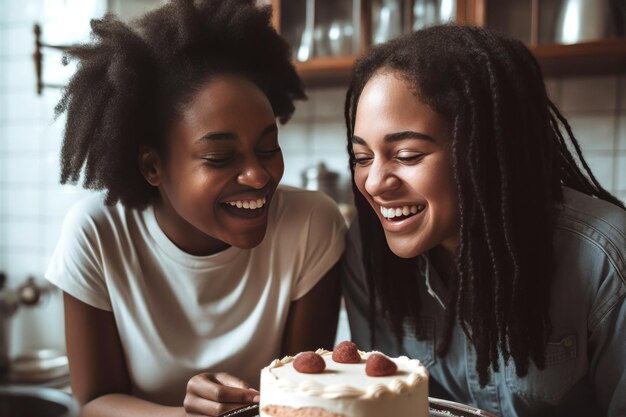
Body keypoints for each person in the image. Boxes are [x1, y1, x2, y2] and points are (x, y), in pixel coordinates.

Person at [45, 1, 347, 416]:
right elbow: (94, 402)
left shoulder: (311, 224)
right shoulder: (98, 233)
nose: (258, 176)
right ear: (153, 166)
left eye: (268, 148)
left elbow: (303, 397)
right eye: (221, 158)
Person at [341, 24, 626, 417]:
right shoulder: (367, 248)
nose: (373, 183)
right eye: (361, 158)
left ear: (485, 152)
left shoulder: (605, 259)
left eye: (406, 155)